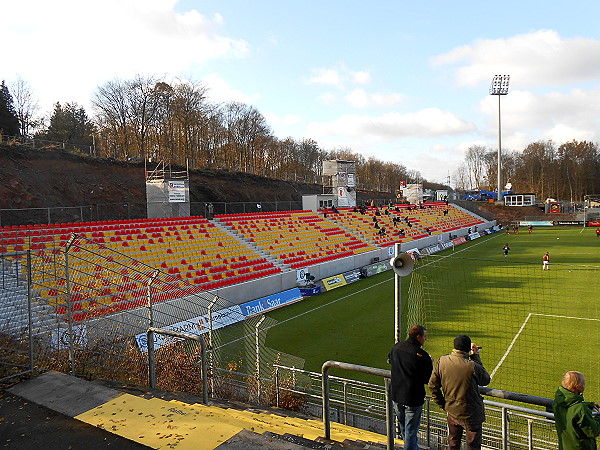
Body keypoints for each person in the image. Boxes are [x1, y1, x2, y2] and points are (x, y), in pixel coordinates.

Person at [429, 335, 491, 450]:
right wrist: (475, 356)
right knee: (473, 446)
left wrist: (443, 404)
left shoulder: (442, 361)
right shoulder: (471, 366)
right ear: (468, 349)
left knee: (453, 443)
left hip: (452, 411)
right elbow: (485, 380)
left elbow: (432, 385)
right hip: (471, 414)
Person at [388, 325, 433, 450]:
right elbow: (426, 379)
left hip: (396, 395)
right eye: (424, 337)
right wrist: (429, 362)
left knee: (404, 428)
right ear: (418, 337)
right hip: (412, 399)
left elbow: (390, 360)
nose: (426, 339)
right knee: (411, 433)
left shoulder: (396, 347)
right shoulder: (423, 356)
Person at [553, 371, 600, 449]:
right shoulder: (580, 409)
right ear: (577, 386)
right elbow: (593, 431)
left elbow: (571, 405)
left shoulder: (558, 403)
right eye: (583, 383)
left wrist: (590, 404)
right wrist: (599, 416)